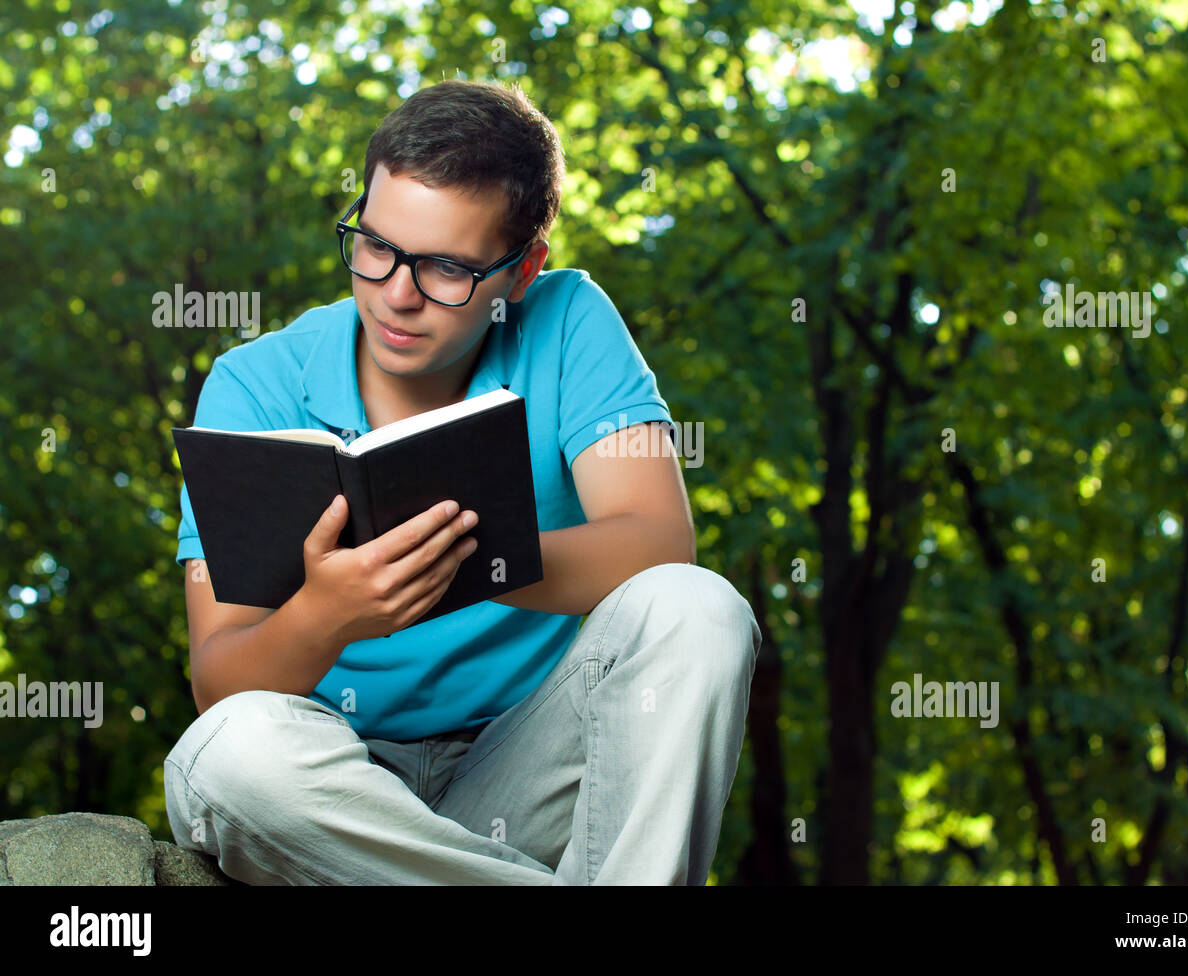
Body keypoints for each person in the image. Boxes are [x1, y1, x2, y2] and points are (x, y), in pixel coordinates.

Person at [163, 79, 761, 885]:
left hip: (526, 767)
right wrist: (331, 612)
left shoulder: (569, 319)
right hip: (342, 800)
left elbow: (659, 544)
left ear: (522, 271)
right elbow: (220, 679)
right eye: (375, 247)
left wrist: (472, 558)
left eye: (447, 267)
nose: (397, 295)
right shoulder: (253, 384)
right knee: (227, 757)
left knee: (700, 612)